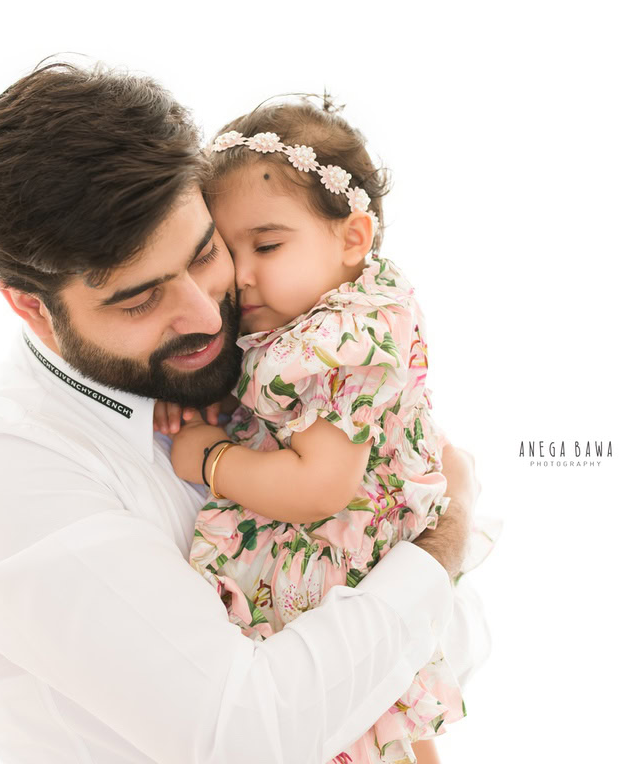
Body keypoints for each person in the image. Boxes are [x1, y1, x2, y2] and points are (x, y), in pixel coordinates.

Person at [0, 60, 488, 764]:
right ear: (32, 308)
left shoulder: (272, 355)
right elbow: (248, 735)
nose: (203, 311)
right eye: (139, 299)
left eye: (204, 252)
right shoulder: (4, 474)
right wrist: (442, 547)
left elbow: (439, 649)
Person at [154, 99, 498, 764]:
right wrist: (213, 404)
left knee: (368, 727)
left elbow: (318, 486)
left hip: (345, 568)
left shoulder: (336, 342)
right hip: (354, 560)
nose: (242, 273)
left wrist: (211, 458)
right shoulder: (315, 317)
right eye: (228, 251)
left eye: (269, 244)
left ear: (352, 239)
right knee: (379, 729)